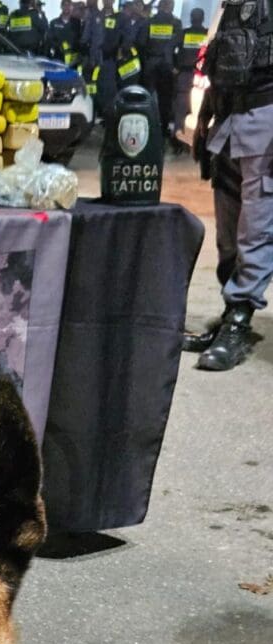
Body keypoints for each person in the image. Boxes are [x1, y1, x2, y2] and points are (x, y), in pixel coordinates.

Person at [185, 0, 273, 371]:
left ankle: (239, 318)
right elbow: (217, 56)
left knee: (255, 226)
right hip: (228, 115)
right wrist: (205, 115)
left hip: (265, 116)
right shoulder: (232, 4)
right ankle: (229, 312)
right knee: (228, 228)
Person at [136, 0, 182, 142]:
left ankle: (147, 127)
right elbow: (179, 44)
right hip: (168, 65)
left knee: (148, 96)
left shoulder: (150, 22)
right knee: (166, 99)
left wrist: (147, 58)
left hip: (151, 63)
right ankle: (162, 131)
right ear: (170, 7)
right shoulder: (176, 23)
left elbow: (141, 43)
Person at [173, 6, 207, 136]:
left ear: (191, 18)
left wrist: (175, 66)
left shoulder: (184, 33)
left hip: (184, 74)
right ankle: (195, 140)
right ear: (203, 19)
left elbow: (172, 50)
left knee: (180, 109)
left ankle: (177, 139)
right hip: (200, 77)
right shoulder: (206, 34)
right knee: (199, 109)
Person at [47, 0, 82, 65]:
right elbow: (49, 39)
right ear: (61, 7)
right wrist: (59, 46)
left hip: (73, 60)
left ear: (72, 7)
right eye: (64, 5)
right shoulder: (54, 23)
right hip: (58, 58)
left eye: (69, 5)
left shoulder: (77, 23)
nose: (67, 7)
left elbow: (80, 39)